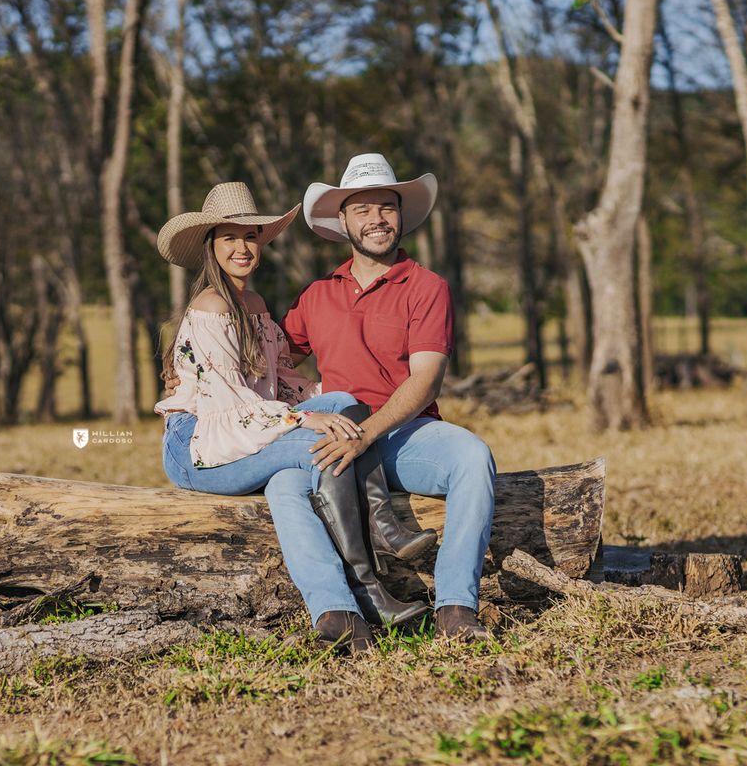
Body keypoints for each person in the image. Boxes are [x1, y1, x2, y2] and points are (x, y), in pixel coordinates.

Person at [153, 182, 435, 651]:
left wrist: (328, 405)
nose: (243, 248)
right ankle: (369, 588)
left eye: (251, 237)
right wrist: (303, 421)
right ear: (211, 247)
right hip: (198, 445)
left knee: (339, 408)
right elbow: (230, 410)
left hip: (248, 430)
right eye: (229, 238)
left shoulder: (255, 306)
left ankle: (337, 612)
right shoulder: (210, 306)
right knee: (320, 445)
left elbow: (281, 382)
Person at [262, 153, 498, 643]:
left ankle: (456, 608)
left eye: (386, 208)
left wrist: (366, 434)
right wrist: (188, 370)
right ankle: (337, 615)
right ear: (343, 220)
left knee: (473, 457)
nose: (376, 219)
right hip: (339, 431)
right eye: (363, 209)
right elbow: (269, 361)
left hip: (400, 434)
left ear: (401, 216)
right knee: (283, 485)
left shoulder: (427, 287)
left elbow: (425, 381)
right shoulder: (317, 295)